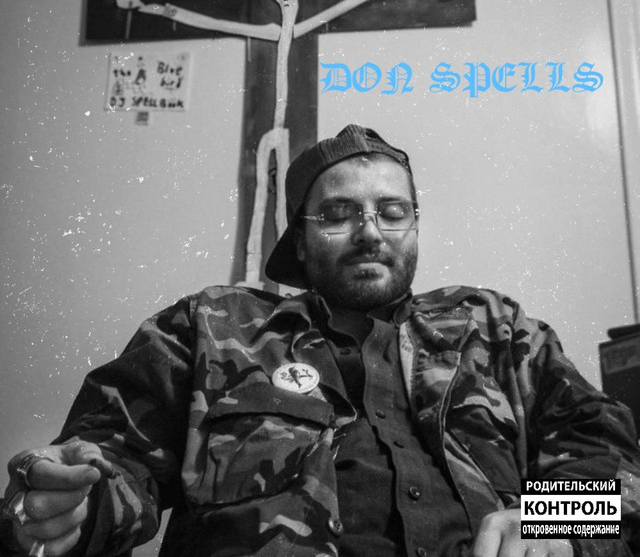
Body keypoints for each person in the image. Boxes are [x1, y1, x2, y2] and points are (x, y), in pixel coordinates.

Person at [1, 124, 639, 557]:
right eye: (337, 214)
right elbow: (114, 459)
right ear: (301, 243)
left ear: (415, 226)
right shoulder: (210, 325)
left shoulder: (496, 328)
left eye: (392, 211)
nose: (370, 231)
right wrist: (68, 508)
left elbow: (610, 453)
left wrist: (554, 523)